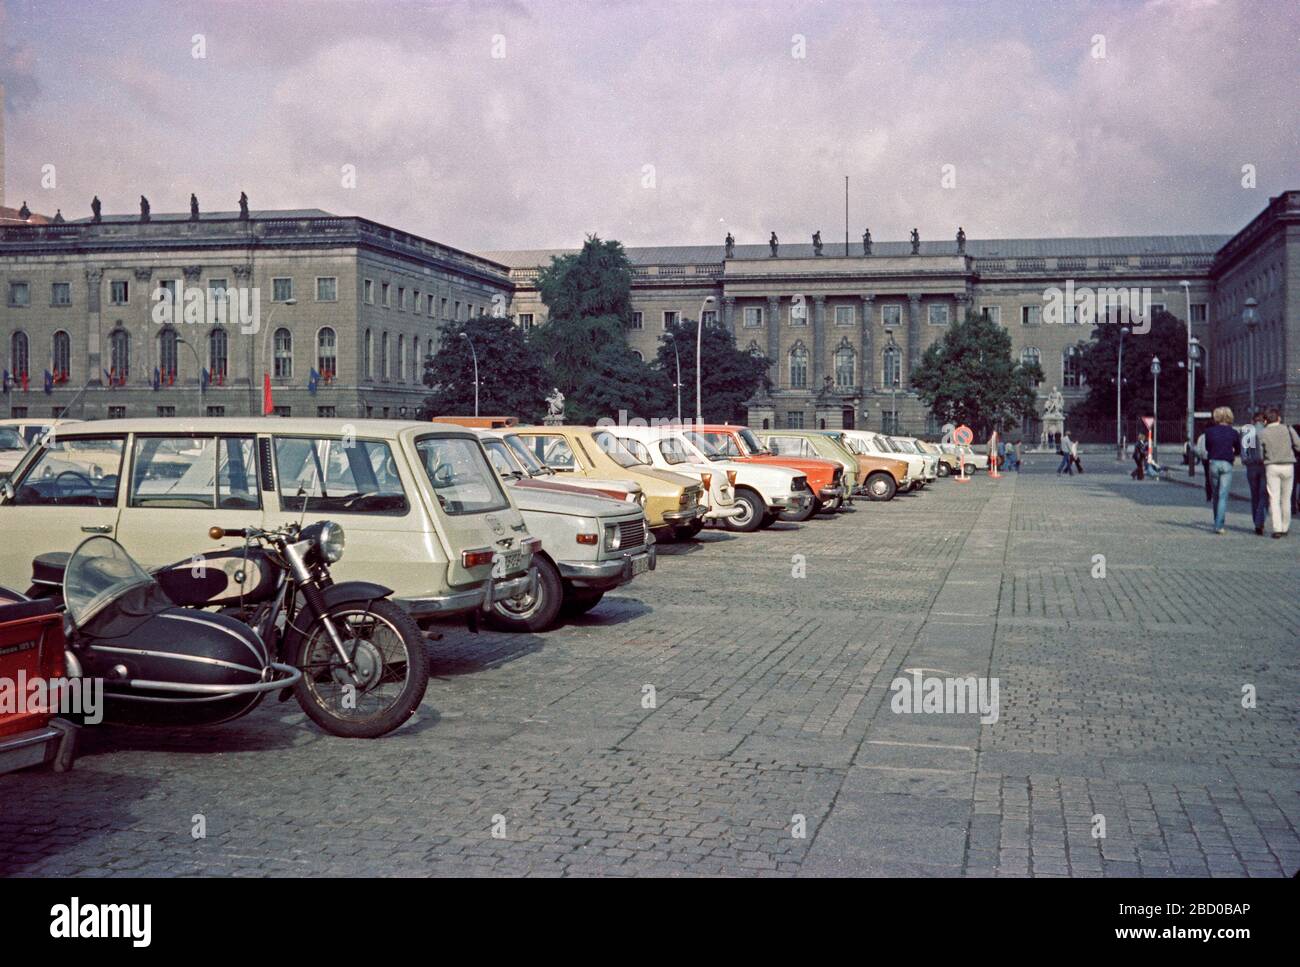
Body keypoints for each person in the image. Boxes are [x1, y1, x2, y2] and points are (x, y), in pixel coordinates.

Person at [1258, 407, 1299, 538]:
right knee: (1286, 498)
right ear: (1279, 418)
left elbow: (1260, 454)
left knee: (1274, 498)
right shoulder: (1288, 428)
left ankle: (1277, 528)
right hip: (1288, 465)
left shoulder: (1262, 433)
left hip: (1272, 466)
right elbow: (1298, 445)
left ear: (1265, 420)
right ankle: (1286, 526)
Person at [1202, 407, 1241, 534]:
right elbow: (1238, 449)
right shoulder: (1234, 432)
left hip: (1213, 463)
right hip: (1227, 463)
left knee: (1215, 495)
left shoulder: (1209, 432)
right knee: (1223, 496)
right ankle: (1219, 525)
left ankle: (1216, 521)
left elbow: (1208, 447)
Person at [1240, 411, 1269, 536]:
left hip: (1251, 467)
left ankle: (1256, 522)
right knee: (1264, 495)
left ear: (1253, 420)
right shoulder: (1267, 431)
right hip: (1264, 466)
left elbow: (1244, 451)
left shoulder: (1248, 431)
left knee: (1254, 495)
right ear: (1265, 421)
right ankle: (1260, 522)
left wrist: (1247, 461)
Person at [1194, 428, 1211, 501]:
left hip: (1205, 459)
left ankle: (1209, 495)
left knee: (1207, 477)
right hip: (1215, 458)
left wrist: (1201, 457)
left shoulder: (1201, 437)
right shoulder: (1216, 435)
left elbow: (1199, 450)